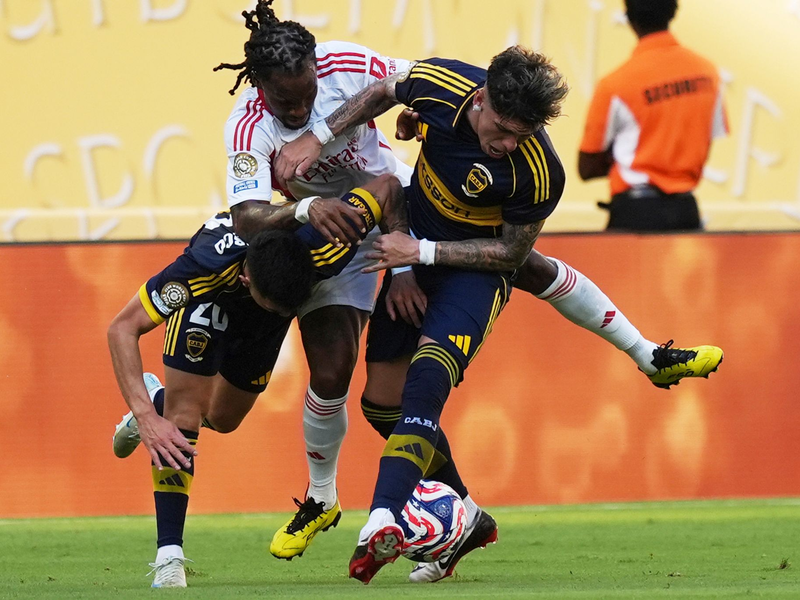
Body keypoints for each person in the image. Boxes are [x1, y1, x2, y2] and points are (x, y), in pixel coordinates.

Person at [275, 43, 724, 584]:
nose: (509, 144)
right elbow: (380, 92)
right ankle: (464, 514)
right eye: (503, 129)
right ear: (481, 98)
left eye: (522, 134)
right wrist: (316, 137)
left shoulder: (538, 172)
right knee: (381, 405)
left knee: (425, 383)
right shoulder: (442, 84)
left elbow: (512, 257)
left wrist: (419, 254)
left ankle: (382, 518)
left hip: (472, 274)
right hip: (411, 250)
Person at [107, 175, 405, 588]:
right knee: (183, 417)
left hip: (263, 315)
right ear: (248, 279)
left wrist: (404, 265)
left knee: (225, 419)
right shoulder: (200, 269)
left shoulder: (325, 242)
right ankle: (169, 555)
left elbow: (387, 186)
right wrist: (148, 417)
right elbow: (121, 329)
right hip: (210, 304)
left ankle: (157, 400)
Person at [212, 0, 418, 560]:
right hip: (324, 234)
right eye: (286, 100)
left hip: (393, 204)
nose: (300, 108)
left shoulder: (347, 62)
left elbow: (416, 79)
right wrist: (305, 212)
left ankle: (641, 349)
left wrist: (413, 111)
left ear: (317, 66)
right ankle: (323, 498)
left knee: (520, 263)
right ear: (258, 86)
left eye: (307, 93)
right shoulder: (247, 126)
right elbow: (249, 217)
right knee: (328, 372)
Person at [578, 0, 728, 231]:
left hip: (635, 214)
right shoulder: (708, 74)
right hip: (686, 212)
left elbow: (587, 167)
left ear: (629, 18)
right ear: (673, 12)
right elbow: (707, 135)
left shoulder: (615, 84)